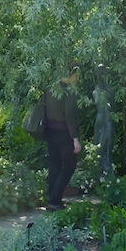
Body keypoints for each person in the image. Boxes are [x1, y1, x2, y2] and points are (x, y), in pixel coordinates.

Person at [43, 64, 82, 211]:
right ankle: (54, 200)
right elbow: (70, 117)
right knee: (69, 166)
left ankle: (52, 199)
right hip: (64, 132)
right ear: (70, 75)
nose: (77, 79)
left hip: (50, 131)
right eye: (76, 75)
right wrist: (75, 139)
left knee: (54, 165)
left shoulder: (50, 88)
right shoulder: (68, 91)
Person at [93, 64, 114, 178]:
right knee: (99, 146)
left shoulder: (109, 90)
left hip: (107, 118)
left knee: (107, 146)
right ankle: (101, 173)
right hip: (101, 118)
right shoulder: (96, 91)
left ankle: (107, 174)